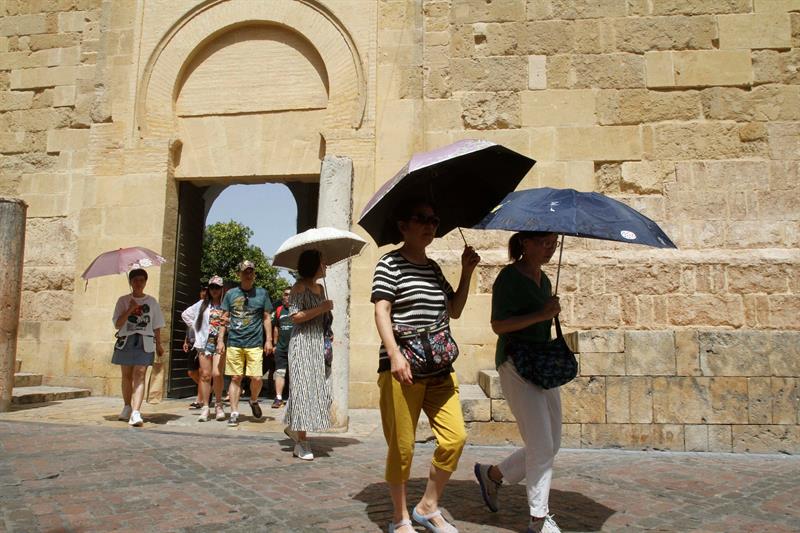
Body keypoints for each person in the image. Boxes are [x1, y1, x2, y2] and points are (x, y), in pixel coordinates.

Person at [371, 199, 480, 533]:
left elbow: (455, 310)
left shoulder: (432, 268)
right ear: (403, 226)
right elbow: (381, 310)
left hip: (439, 367)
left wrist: (466, 270)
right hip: (402, 369)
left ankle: (427, 506)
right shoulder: (389, 264)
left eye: (434, 219)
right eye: (422, 219)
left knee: (454, 438)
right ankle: (399, 518)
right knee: (402, 447)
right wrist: (395, 355)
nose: (431, 225)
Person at [473, 231, 563, 533]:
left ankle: (494, 476)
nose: (550, 249)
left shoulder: (546, 280)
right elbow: (499, 325)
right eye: (545, 243)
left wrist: (549, 312)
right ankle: (539, 518)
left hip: (543, 365)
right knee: (540, 442)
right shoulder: (508, 278)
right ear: (525, 243)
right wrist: (542, 314)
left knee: (552, 443)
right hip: (515, 363)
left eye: (554, 244)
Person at [283, 250, 333, 461]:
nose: (326, 265)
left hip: (317, 343)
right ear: (314, 264)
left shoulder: (321, 288)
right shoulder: (298, 287)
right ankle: (302, 443)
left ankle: (294, 427)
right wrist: (321, 308)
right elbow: (294, 316)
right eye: (323, 262)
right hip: (302, 342)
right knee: (302, 389)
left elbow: (323, 318)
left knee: (313, 389)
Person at [217, 260, 273, 427]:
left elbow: (267, 318)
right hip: (235, 341)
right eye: (244, 272)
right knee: (235, 377)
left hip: (255, 342)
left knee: (256, 378)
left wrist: (269, 340)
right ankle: (234, 412)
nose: (248, 274)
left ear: (254, 274)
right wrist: (220, 340)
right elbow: (224, 318)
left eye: (250, 271)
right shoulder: (231, 294)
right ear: (239, 274)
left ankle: (253, 400)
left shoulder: (262, 294)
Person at [111, 268, 165, 427]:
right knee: (126, 375)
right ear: (131, 282)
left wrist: (159, 344)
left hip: (145, 341)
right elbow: (117, 324)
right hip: (126, 340)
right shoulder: (123, 300)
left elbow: (157, 325)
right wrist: (130, 309)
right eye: (135, 280)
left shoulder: (152, 301)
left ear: (145, 282)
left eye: (142, 280)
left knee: (140, 374)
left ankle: (136, 412)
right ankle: (127, 406)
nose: (138, 283)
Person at [181, 276, 227, 422]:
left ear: (222, 289)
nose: (214, 290)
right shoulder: (202, 304)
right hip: (204, 342)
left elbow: (231, 321)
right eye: (212, 288)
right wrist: (196, 328)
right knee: (205, 375)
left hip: (219, 342)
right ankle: (206, 406)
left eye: (217, 288)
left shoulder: (226, 305)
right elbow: (185, 315)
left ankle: (219, 404)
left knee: (217, 373)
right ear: (209, 289)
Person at [184, 284, 207, 409]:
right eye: (202, 290)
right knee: (191, 372)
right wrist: (186, 341)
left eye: (206, 291)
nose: (204, 293)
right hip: (193, 343)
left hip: (203, 344)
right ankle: (208, 389)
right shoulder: (196, 306)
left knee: (202, 372)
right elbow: (188, 323)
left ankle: (200, 399)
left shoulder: (208, 307)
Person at [271, 288, 293, 408]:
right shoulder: (279, 310)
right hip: (281, 348)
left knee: (295, 373)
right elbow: (276, 327)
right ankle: (278, 398)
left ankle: (295, 398)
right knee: (279, 372)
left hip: (295, 348)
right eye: (285, 294)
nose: (287, 297)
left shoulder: (298, 309)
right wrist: (274, 345)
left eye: (290, 295)